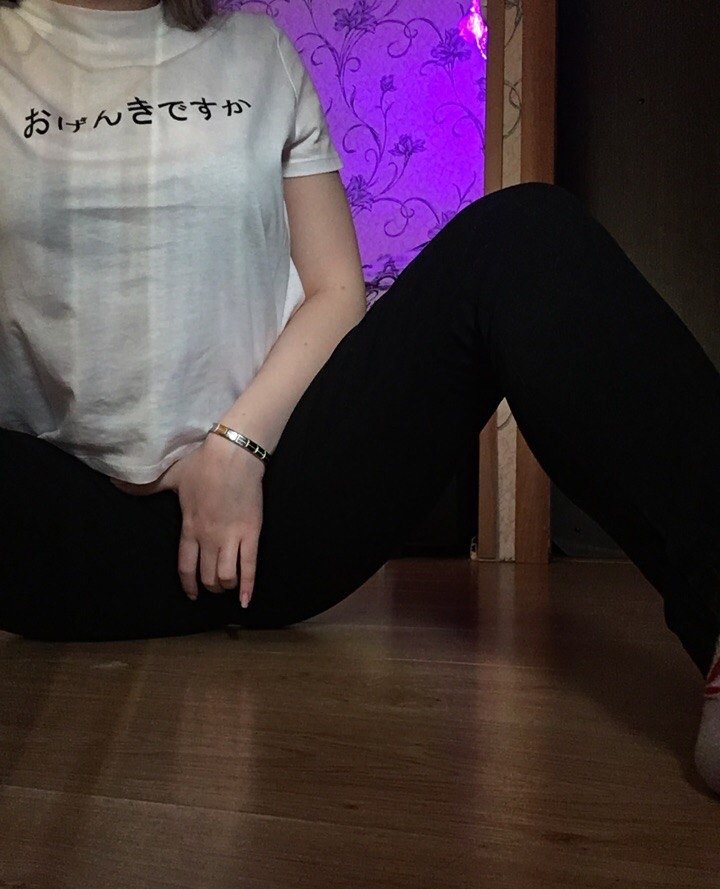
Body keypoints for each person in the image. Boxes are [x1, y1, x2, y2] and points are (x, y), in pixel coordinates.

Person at [1, 0, 718, 795]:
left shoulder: (256, 51)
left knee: (525, 234)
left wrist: (234, 448)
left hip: (271, 508)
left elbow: (336, 289)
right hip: (64, 527)